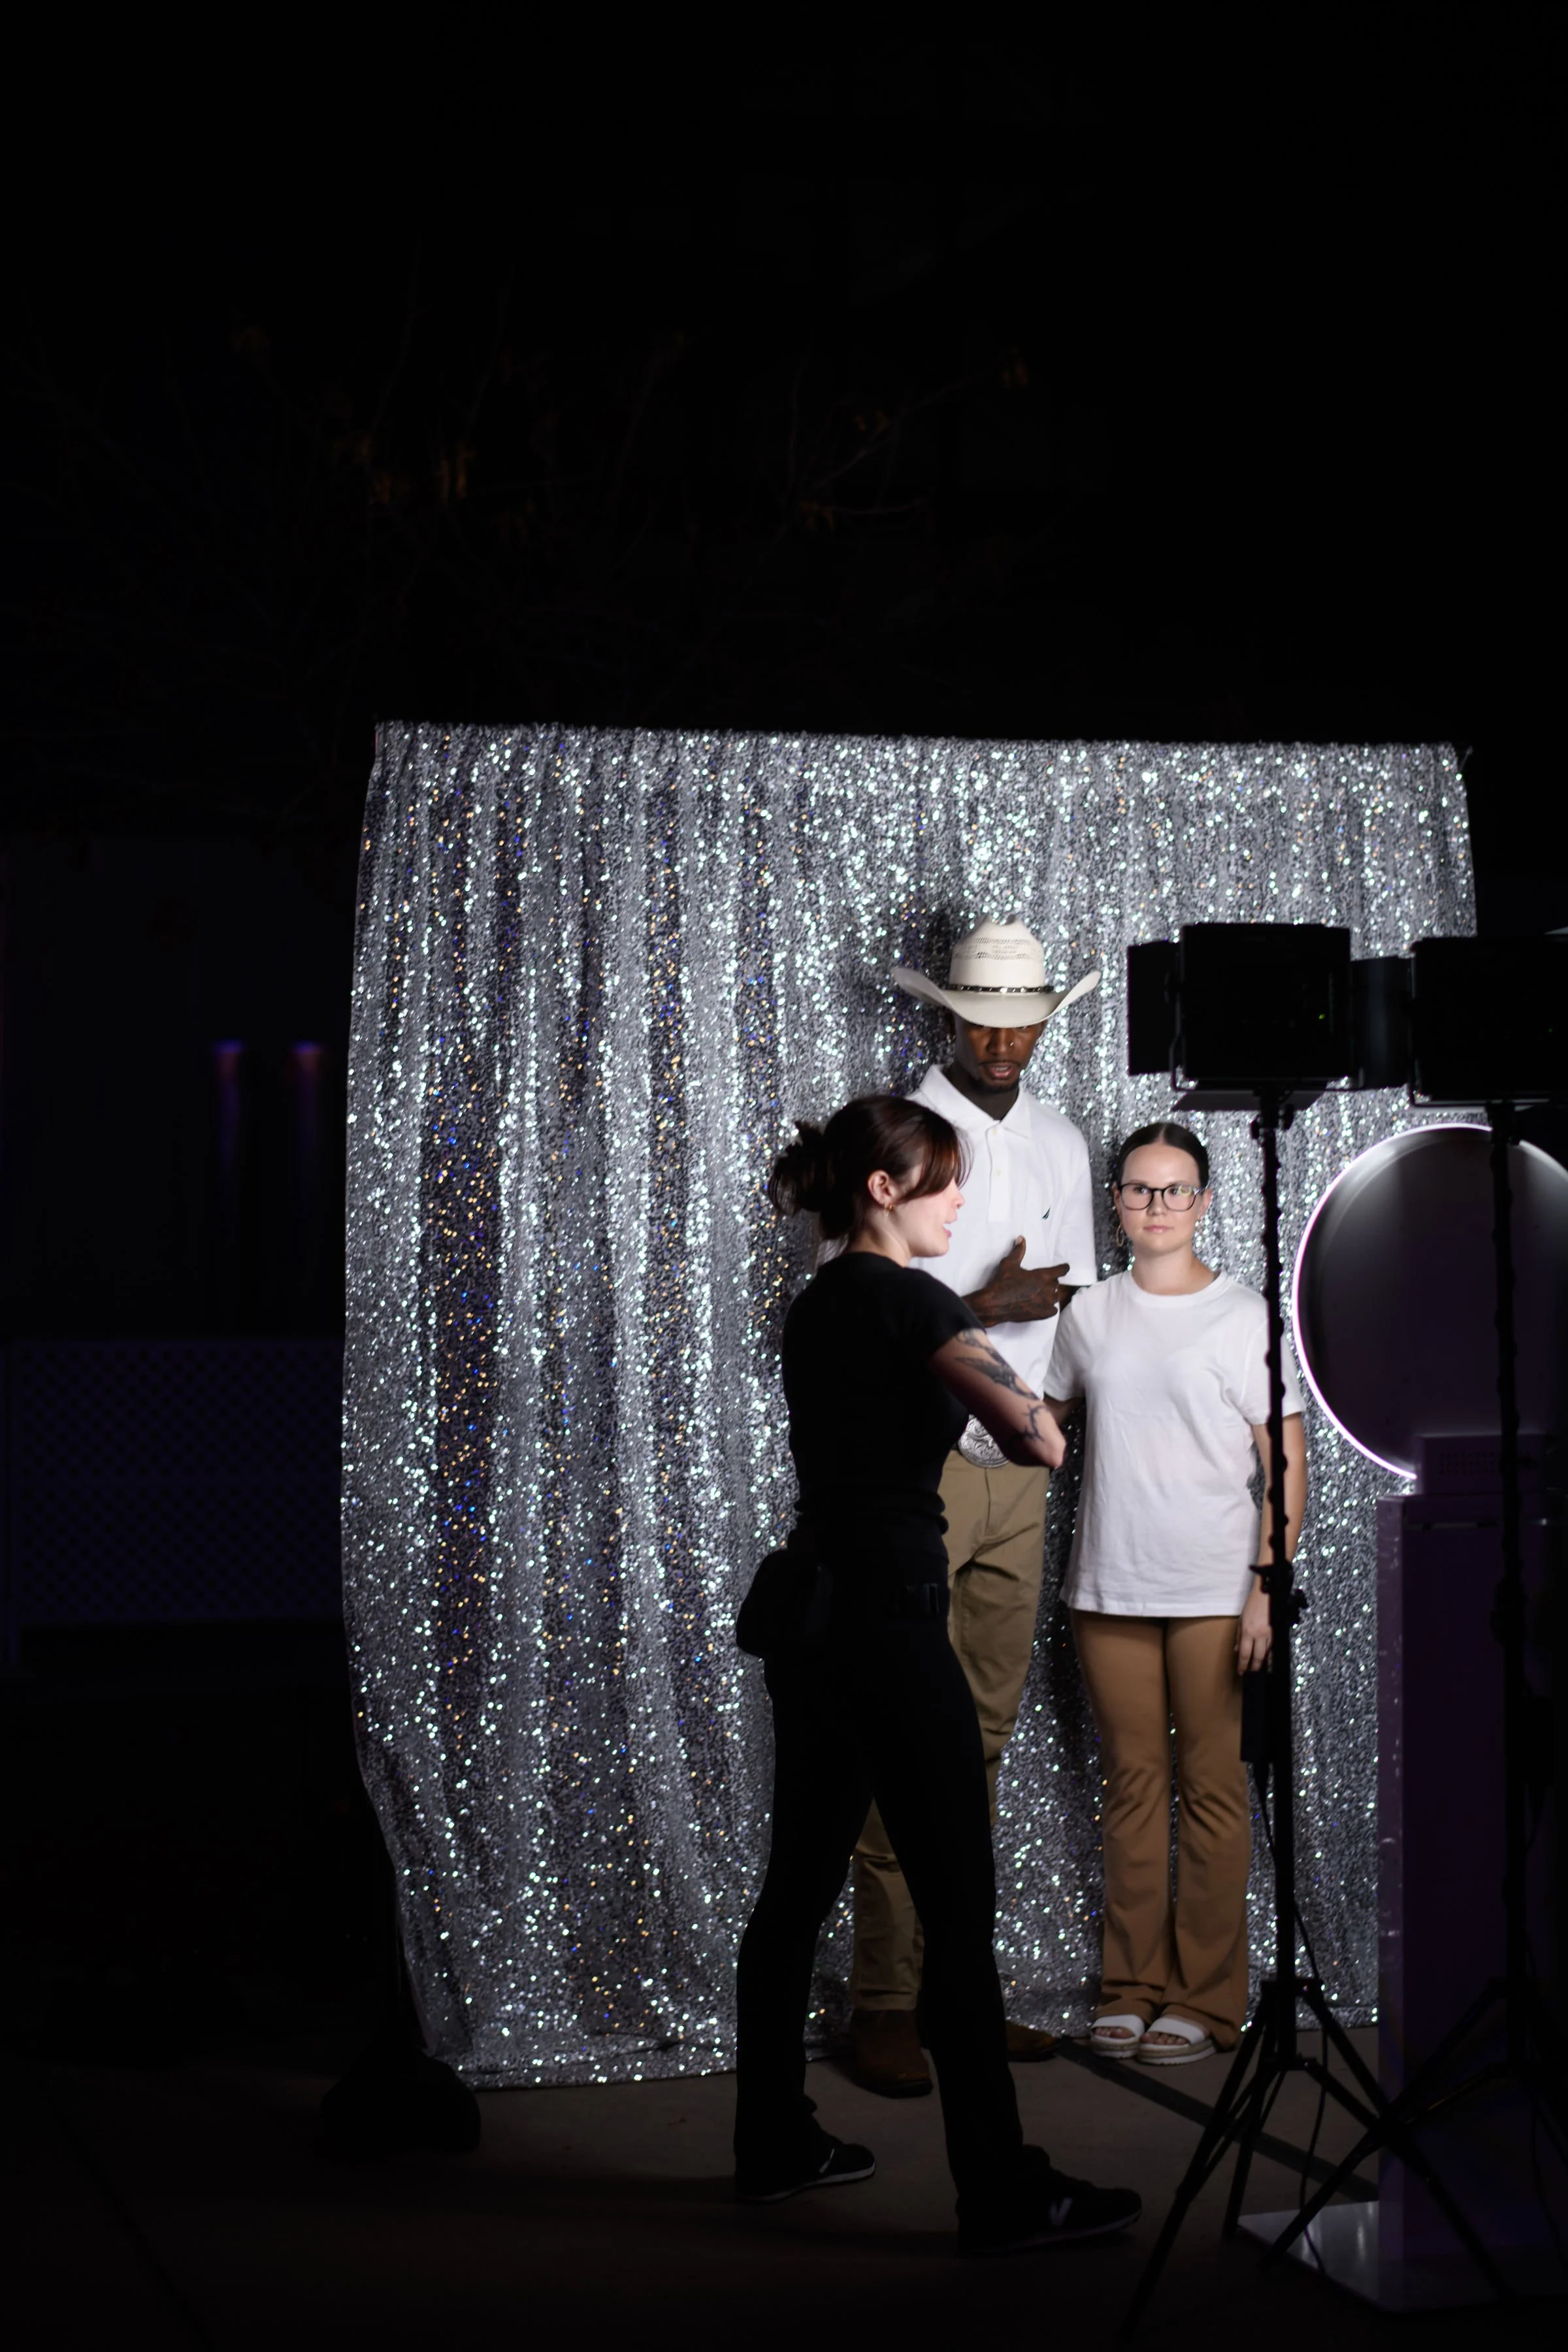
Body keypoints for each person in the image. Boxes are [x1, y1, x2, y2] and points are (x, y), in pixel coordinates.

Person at [732, 1092, 1141, 2255]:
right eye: (944, 1179)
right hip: (893, 1630)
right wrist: (1025, 1386)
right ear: (885, 1189)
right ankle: (1002, 2191)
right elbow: (1036, 1439)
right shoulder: (917, 1302)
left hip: (816, 1624)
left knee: (794, 1890)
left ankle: (773, 2142)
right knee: (959, 1908)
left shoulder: (818, 1302)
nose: (960, 1200)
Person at [846, 919, 1100, 2097]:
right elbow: (859, 1293)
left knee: (982, 1739)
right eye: (983, 1020)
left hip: (1020, 1466)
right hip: (922, 1462)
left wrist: (1058, 1423)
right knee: (907, 1726)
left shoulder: (1064, 1140)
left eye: (1023, 1021)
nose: (1003, 1042)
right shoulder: (899, 1129)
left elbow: (1073, 1303)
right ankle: (884, 2003)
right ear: (947, 1014)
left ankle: (960, 1995)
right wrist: (984, 1305)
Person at [1042, 1121, 1307, 2065]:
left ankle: (1205, 1999)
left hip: (1215, 1587)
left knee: (1214, 1790)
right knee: (1133, 1787)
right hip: (1109, 1582)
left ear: (1203, 1201)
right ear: (1116, 1201)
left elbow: (1286, 1467)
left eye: (1175, 1189)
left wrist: (1265, 1589)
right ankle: (1130, 1988)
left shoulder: (1244, 1316)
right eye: (1140, 1189)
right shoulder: (1088, 1314)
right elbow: (1040, 1427)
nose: (1157, 1205)